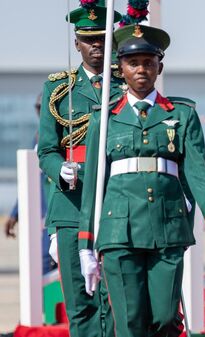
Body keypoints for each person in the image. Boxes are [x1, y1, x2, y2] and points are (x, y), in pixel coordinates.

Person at [77, 23, 205, 337]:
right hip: (118, 233)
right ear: (120, 67)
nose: (141, 69)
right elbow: (93, 188)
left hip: (166, 230)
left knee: (165, 318)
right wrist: (86, 246)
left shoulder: (181, 114)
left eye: (148, 63)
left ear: (159, 67)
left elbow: (197, 174)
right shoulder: (104, 117)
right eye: (133, 63)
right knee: (130, 321)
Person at [37, 2, 123, 336]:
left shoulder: (126, 85)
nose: (97, 45)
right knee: (80, 303)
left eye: (103, 37)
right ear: (77, 44)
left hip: (114, 201)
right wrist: (60, 169)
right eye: (89, 39)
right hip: (71, 206)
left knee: (116, 299)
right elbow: (46, 149)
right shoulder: (59, 90)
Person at [4, 94, 55, 274]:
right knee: (41, 271)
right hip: (41, 221)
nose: (43, 114)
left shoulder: (62, 136)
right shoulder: (38, 138)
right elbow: (32, 179)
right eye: (39, 109)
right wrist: (15, 214)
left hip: (59, 217)